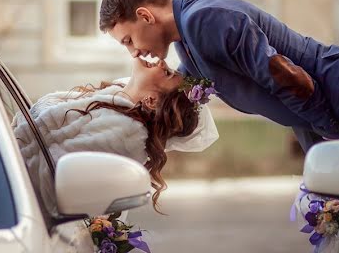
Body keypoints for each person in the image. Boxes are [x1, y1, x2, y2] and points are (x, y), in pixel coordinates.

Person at [98, 0, 339, 170]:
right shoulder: (187, 42)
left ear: (145, 15)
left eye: (128, 40)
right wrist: (120, 103)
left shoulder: (204, 20)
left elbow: (290, 78)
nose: (133, 52)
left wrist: (335, 137)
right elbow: (171, 87)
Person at [12, 56, 217, 210]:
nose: (162, 62)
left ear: (152, 101)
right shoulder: (114, 104)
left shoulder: (126, 135)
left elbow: (48, 173)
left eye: (167, 73)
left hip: (11, 191)